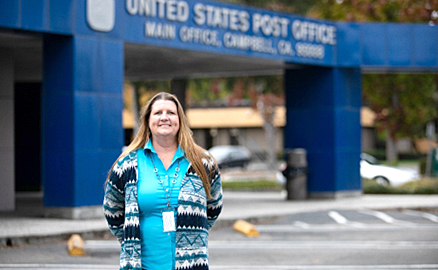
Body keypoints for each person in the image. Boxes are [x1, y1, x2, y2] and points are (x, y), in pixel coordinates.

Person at [103, 92, 223, 270]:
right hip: (142, 266)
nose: (164, 117)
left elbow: (213, 207)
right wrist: (130, 236)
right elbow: (112, 209)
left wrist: (194, 228)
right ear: (148, 120)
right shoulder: (127, 164)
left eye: (171, 113)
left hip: (191, 265)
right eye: (158, 113)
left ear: (180, 120)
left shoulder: (203, 163)